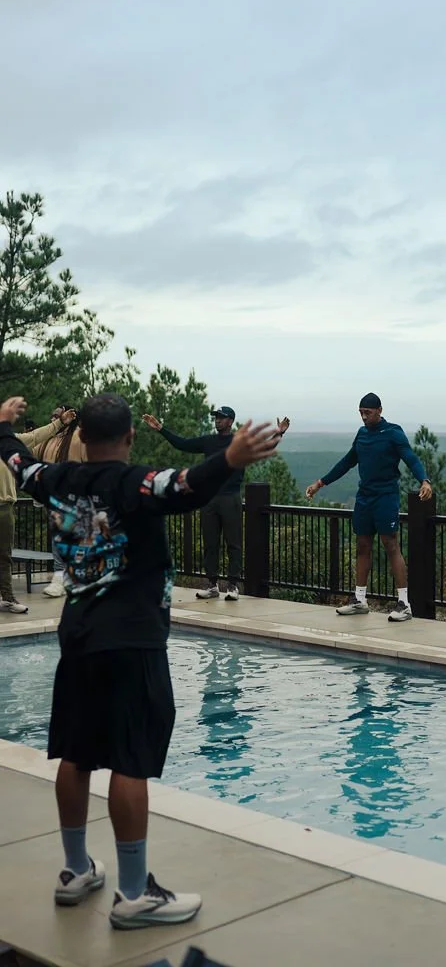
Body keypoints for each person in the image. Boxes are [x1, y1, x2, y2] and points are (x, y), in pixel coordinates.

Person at [0, 393, 279, 930]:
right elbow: (188, 484)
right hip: (132, 640)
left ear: (80, 437)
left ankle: (75, 869)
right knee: (129, 760)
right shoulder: (137, 485)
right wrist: (233, 456)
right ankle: (132, 894)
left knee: (76, 754)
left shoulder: (52, 481)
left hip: (78, 636)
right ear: (129, 438)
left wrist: (2, 425)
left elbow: (14, 456)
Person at [305, 393, 432, 622]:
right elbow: (347, 461)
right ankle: (359, 600)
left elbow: (410, 457)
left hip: (386, 496)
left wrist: (424, 480)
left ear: (380, 410)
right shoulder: (362, 434)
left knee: (390, 544)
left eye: (368, 412)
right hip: (364, 497)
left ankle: (404, 603)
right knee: (362, 546)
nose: (364, 417)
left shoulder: (393, 432)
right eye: (361, 412)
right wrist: (320, 483)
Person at [143, 406, 289, 601]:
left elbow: (263, 447)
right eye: (216, 417)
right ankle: (212, 585)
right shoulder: (208, 441)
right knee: (210, 543)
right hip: (209, 498)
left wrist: (279, 433)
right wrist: (161, 429)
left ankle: (233, 586)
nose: (217, 420)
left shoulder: (238, 441)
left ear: (230, 421)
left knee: (233, 543)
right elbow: (182, 444)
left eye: (221, 417)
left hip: (231, 498)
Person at [0, 407, 77, 614]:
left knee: (4, 556)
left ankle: (7, 598)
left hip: (5, 507)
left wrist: (60, 423)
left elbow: (35, 436)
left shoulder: (9, 440)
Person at [34, 404, 88, 598]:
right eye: (53, 415)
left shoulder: (80, 437)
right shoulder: (50, 440)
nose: (53, 419)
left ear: (69, 416)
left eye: (57, 415)